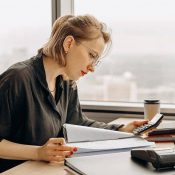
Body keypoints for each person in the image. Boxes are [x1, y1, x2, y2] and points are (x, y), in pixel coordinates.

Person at [0, 14, 147, 172]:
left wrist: (122, 130)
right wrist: (38, 152)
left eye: (96, 60)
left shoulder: (66, 83)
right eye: (91, 55)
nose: (92, 67)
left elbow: (77, 123)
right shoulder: (17, 79)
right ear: (69, 43)